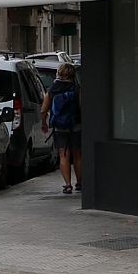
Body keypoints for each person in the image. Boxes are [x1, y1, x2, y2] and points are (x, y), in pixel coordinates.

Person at [41, 62, 81, 194]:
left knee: (63, 155)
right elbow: (82, 107)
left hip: (59, 126)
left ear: (58, 74)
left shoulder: (51, 91)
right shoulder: (77, 89)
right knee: (77, 155)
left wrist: (44, 123)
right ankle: (79, 183)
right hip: (76, 125)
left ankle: (68, 185)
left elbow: (43, 110)